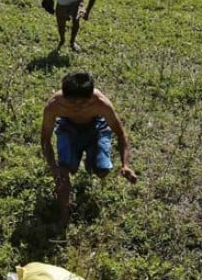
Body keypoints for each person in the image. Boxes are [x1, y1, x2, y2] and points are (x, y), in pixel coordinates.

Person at [40, 71, 138, 225]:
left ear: (90, 96)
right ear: (65, 97)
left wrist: (126, 164)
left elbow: (120, 134)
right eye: (73, 102)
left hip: (96, 128)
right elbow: (45, 140)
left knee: (102, 171)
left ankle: (90, 160)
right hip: (68, 128)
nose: (78, 106)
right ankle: (64, 212)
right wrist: (54, 168)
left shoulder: (100, 103)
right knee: (64, 173)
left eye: (84, 103)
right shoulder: (54, 106)